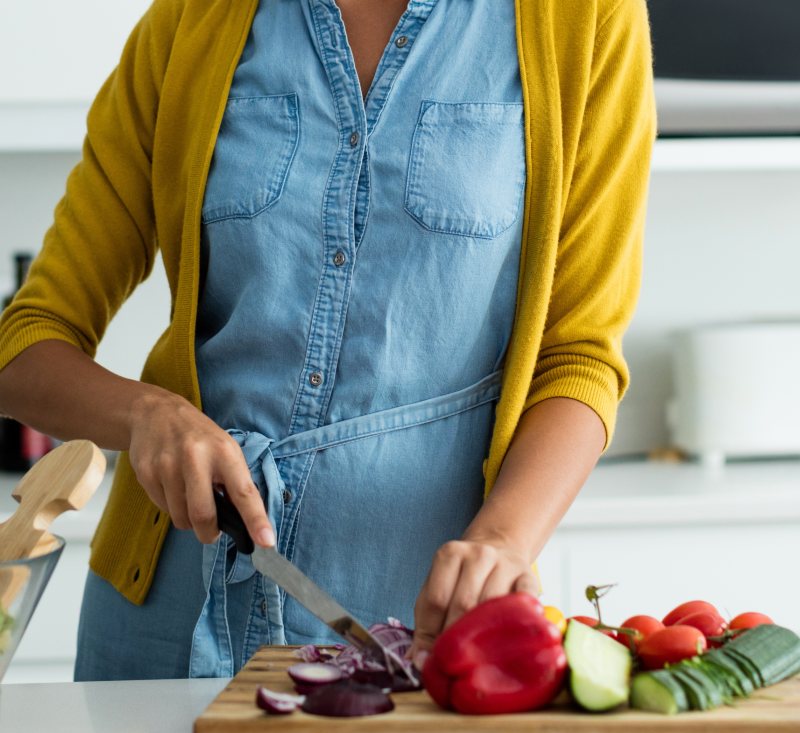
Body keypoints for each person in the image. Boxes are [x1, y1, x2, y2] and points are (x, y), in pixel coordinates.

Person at [0, 0, 655, 680]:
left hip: (419, 626)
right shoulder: (193, 20)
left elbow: (579, 358)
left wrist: (503, 539)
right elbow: (25, 343)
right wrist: (148, 417)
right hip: (166, 614)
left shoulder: (582, 18)